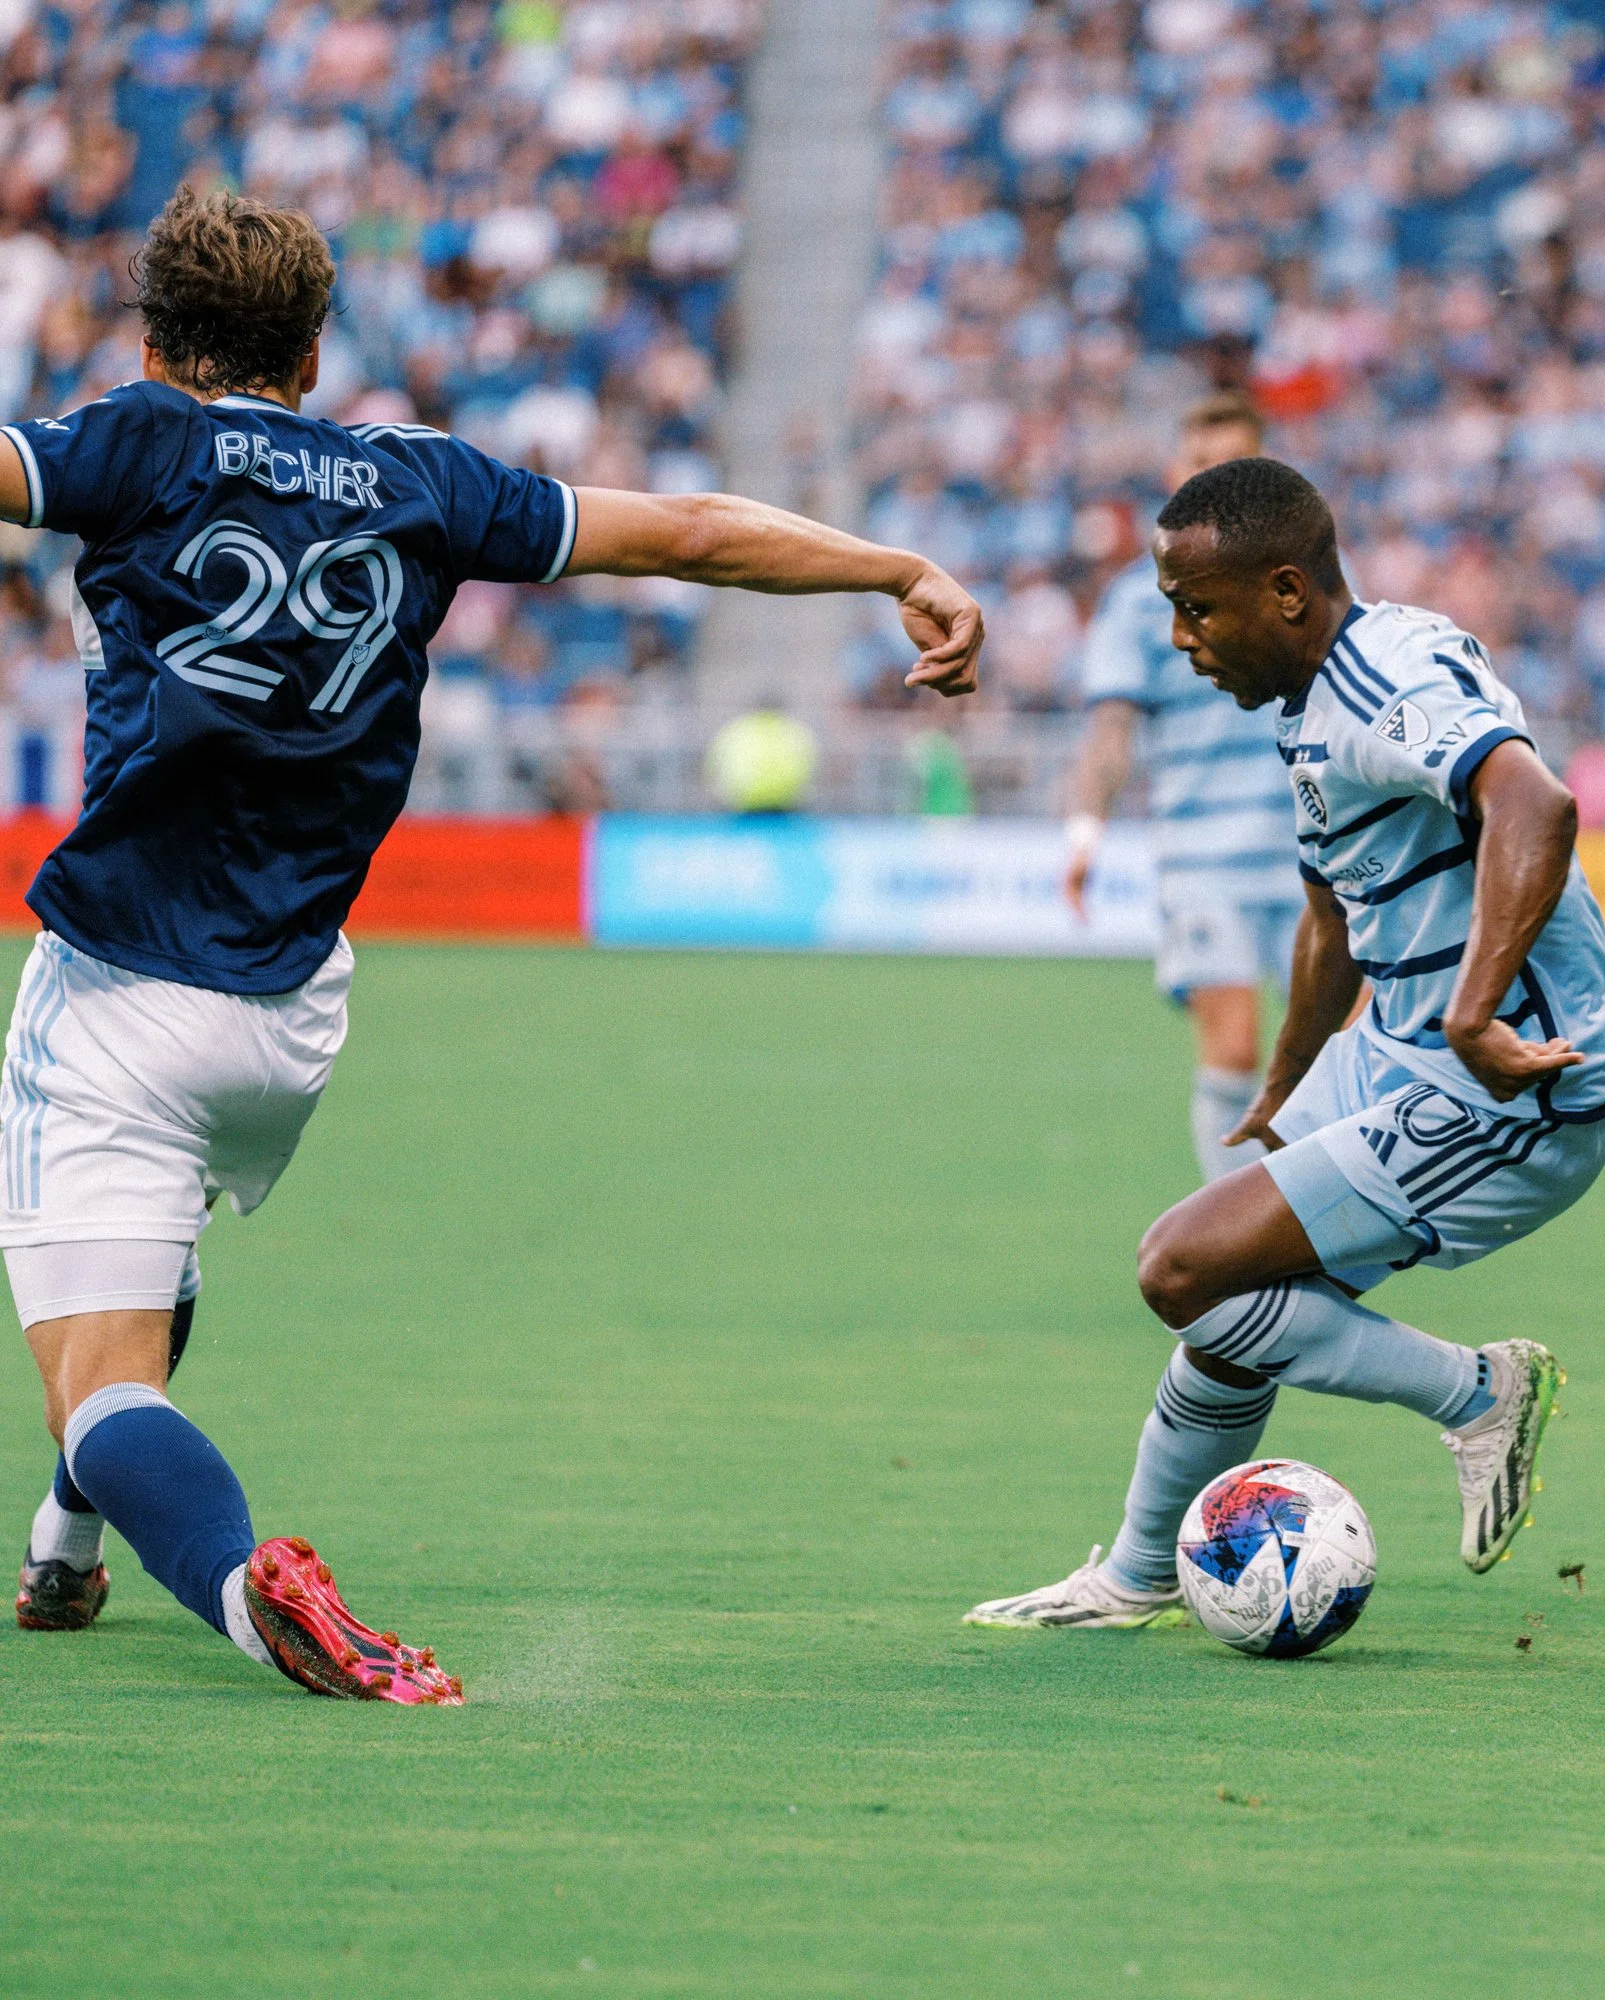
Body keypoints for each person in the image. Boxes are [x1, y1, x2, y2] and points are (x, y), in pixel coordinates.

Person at [7, 187, 982, 1700]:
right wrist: (892, 569)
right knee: (144, 1263)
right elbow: (699, 532)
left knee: (99, 1391)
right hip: (291, 1015)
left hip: (119, 987)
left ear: (150, 345)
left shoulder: (131, 442)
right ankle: (65, 1551)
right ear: (316, 355)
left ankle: (238, 1581)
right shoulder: (425, 483)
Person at [968, 457, 1605, 1629]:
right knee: (1228, 1300)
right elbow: (1333, 907)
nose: (1181, 638)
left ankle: (1478, 1391)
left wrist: (1475, 1011)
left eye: (1196, 607)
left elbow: (1537, 804)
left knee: (1181, 1265)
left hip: (1508, 1085)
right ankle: (1135, 1574)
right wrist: (1286, 1075)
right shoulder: (1311, 697)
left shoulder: (1383, 679)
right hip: (1401, 1055)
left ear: (1283, 590)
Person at [1064, 393, 1303, 1183]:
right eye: (1205, 469)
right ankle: (1235, 1248)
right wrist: (1084, 830)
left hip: (1318, 851)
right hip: (1204, 856)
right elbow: (1110, 729)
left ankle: (1314, 1229)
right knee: (1235, 1047)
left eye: (1238, 470)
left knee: (1337, 1052)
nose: (1220, 485)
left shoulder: (1306, 585)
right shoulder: (1139, 599)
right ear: (1177, 477)